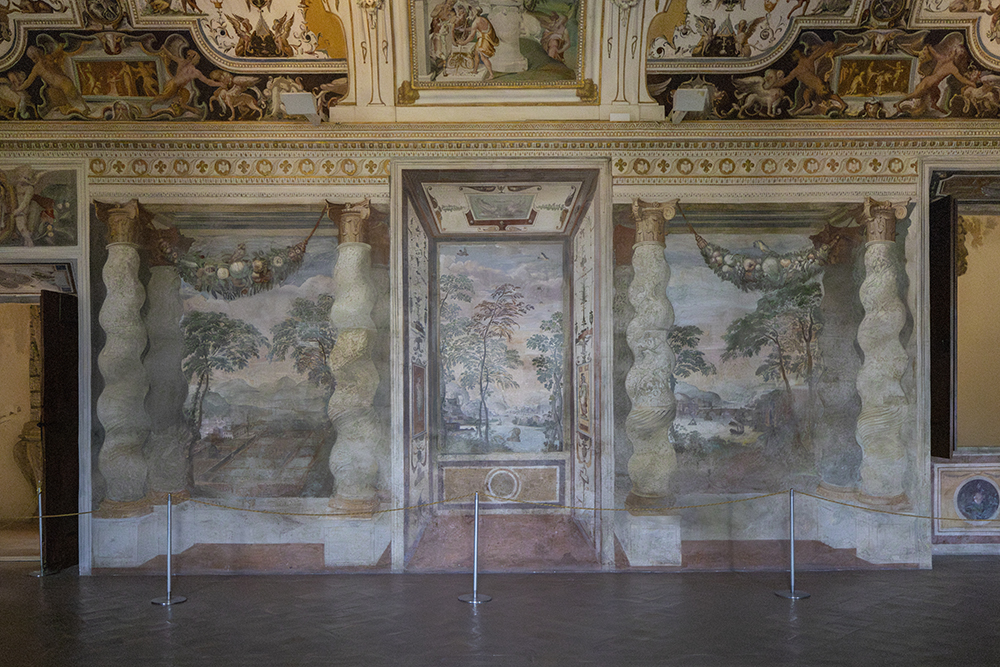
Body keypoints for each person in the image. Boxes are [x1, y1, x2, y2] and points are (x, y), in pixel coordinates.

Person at [458, 6, 498, 80]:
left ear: (474, 13)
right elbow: (476, 28)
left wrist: (463, 43)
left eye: (471, 13)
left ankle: (491, 74)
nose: (469, 15)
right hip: (484, 39)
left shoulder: (476, 22)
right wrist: (464, 29)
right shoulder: (483, 19)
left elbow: (471, 36)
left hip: (483, 40)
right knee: (476, 53)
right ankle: (475, 70)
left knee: (483, 57)